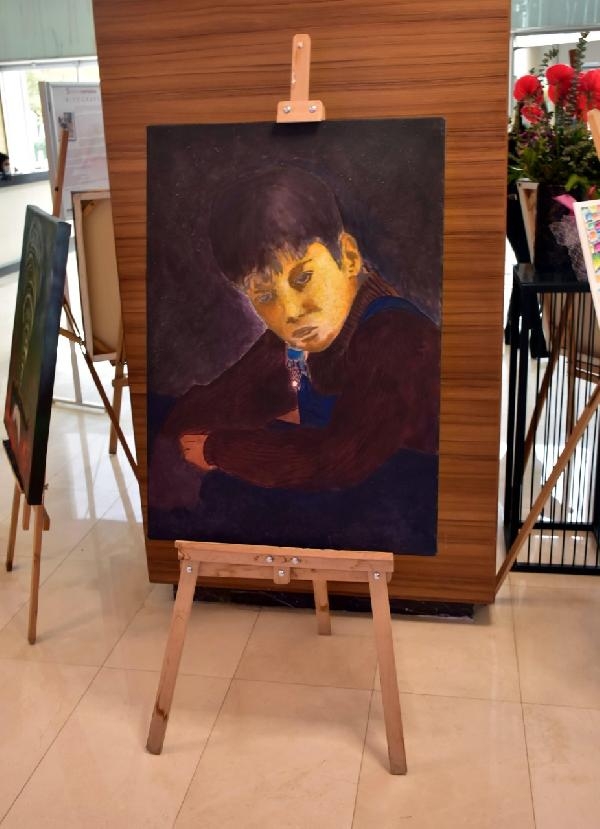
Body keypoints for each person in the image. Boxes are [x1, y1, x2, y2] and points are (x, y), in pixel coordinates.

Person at [150, 165, 440, 554]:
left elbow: (338, 460)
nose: (290, 311)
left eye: (302, 279)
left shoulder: (397, 338)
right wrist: (176, 436)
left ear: (349, 257)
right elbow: (229, 397)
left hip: (404, 521)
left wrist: (218, 449)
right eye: (265, 296)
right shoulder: (302, 337)